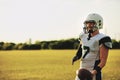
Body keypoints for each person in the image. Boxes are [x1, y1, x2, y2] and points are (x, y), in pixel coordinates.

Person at [72, 13, 112, 80]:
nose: (88, 25)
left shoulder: (103, 38)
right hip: (82, 70)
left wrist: (93, 73)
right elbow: (82, 48)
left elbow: (103, 61)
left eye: (91, 23)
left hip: (94, 73)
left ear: (98, 24)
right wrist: (77, 56)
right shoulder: (83, 35)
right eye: (87, 23)